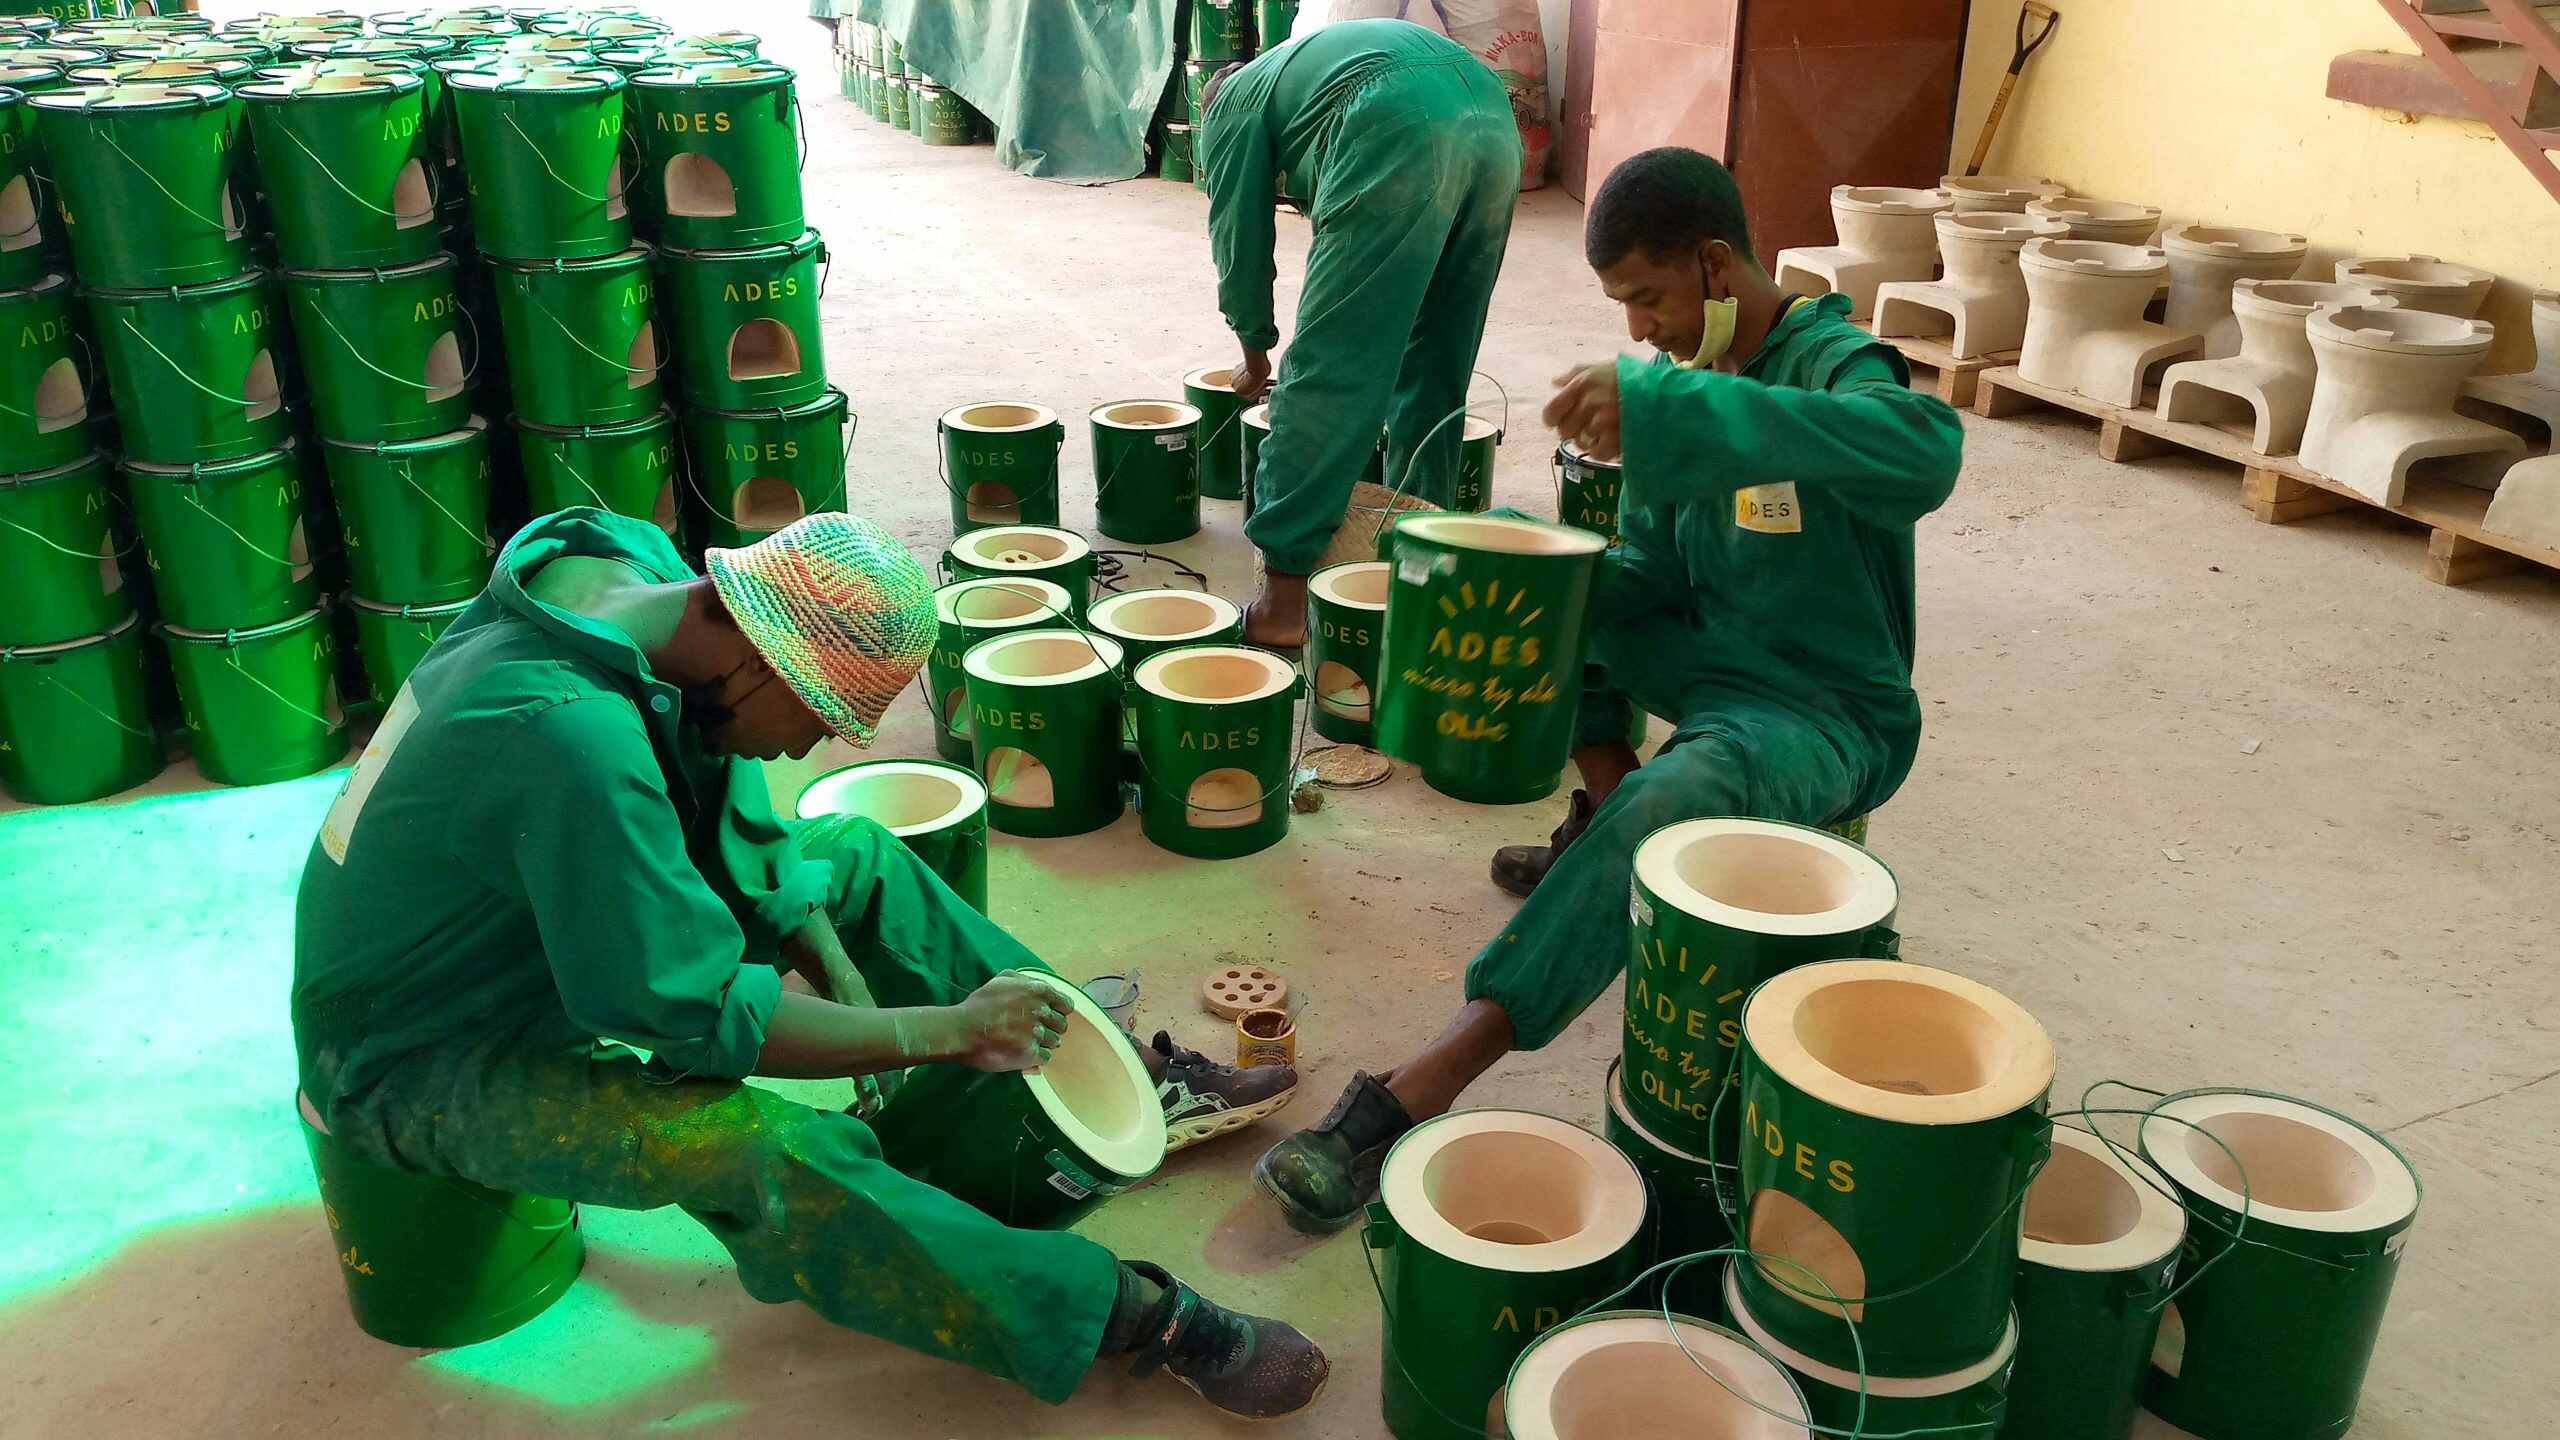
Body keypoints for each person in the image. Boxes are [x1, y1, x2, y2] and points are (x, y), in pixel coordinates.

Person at [292, 509, 1324, 1417]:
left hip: (521, 931)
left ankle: (1110, 1077)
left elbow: (731, 814)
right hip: (412, 1056)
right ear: (752, 655)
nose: (809, 749)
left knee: (859, 861)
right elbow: (689, 1015)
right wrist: (933, 1032)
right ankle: (1130, 1316)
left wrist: (850, 988)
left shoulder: (627, 576)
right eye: (818, 720)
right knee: (750, 1143)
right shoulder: (565, 736)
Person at [1251, 147, 1965, 1233]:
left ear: (1717, 267)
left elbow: (1923, 456)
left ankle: (1423, 1081)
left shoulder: (1831, 361)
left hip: (1825, 709)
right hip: (1708, 656)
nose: (1639, 332)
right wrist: (1510, 576)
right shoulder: (1680, 392)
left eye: (1648, 298)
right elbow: (1647, 583)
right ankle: (1605, 827)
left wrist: (1683, 418)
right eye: (1621, 307)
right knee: (1552, 611)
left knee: (1680, 797)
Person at [1198, 17, 1521, 648]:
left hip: (1394, 121)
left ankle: (1284, 606)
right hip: (1492, 117)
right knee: (1437, 364)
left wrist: (1254, 351)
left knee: (1330, 370)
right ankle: (1425, 567)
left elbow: (1238, 243)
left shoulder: (1230, 106)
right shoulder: (1301, 71)